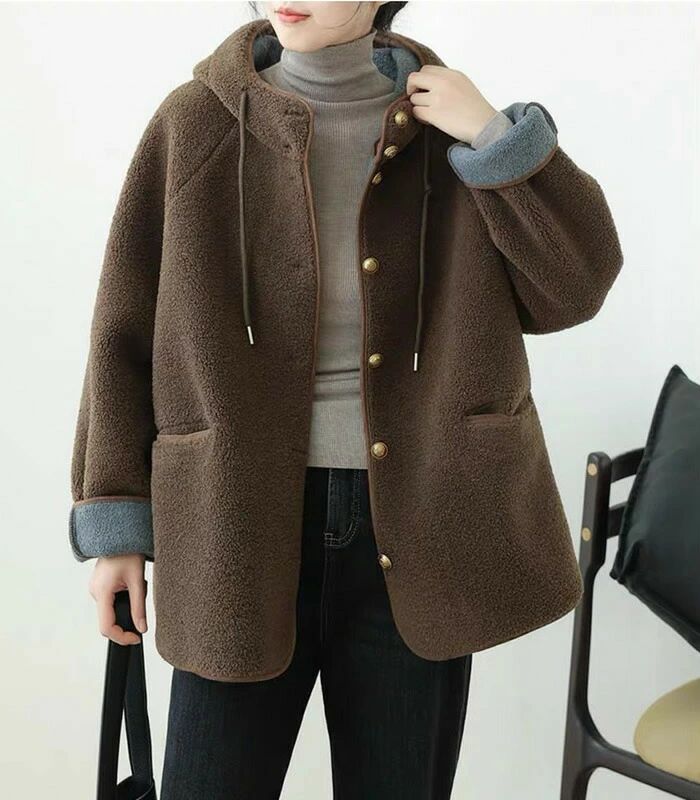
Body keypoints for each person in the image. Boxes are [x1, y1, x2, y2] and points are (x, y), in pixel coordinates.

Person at [69, 2, 624, 798]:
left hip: (422, 522)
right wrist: (116, 523)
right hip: (234, 523)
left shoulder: (447, 126)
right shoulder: (195, 123)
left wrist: (495, 137)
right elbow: (121, 329)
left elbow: (574, 286)